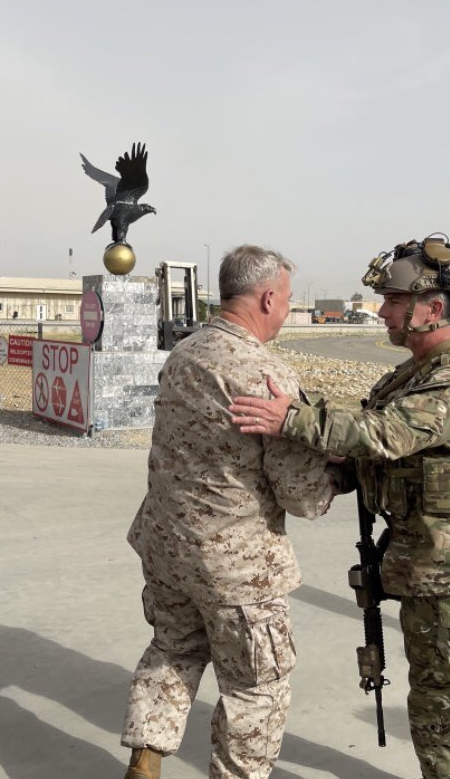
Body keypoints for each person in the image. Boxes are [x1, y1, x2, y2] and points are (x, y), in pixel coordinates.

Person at [230, 235, 450, 779]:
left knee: (445, 720)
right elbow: (373, 457)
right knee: (431, 710)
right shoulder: (408, 377)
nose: (382, 312)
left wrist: (294, 418)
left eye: (394, 303)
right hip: (424, 572)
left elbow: (387, 434)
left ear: (432, 311)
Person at [121, 245, 336, 779]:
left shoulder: (185, 355)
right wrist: (334, 473)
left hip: (168, 546)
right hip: (237, 567)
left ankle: (145, 763)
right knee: (255, 688)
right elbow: (301, 496)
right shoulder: (268, 377)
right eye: (286, 300)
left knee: (172, 650)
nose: (286, 311)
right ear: (267, 298)